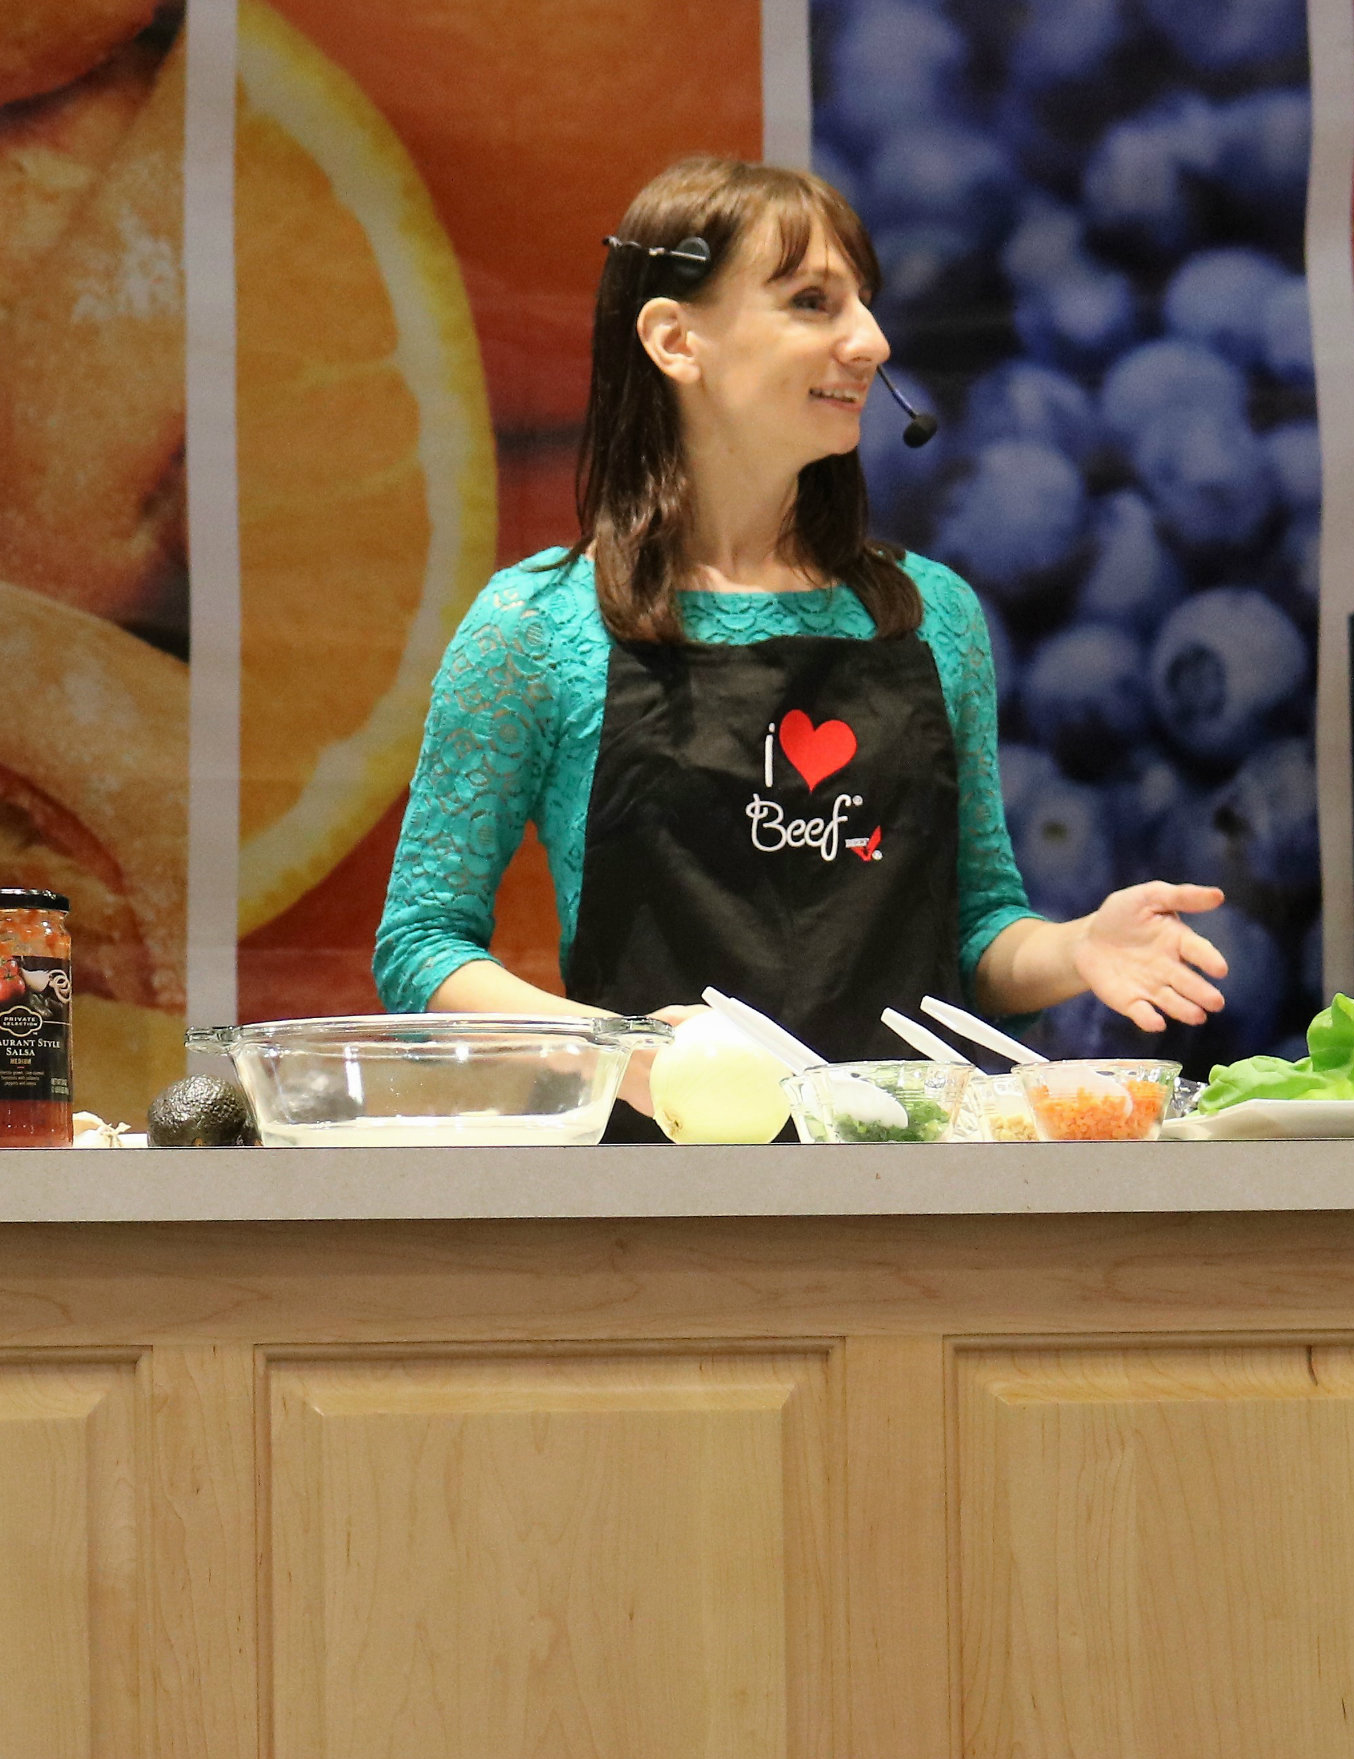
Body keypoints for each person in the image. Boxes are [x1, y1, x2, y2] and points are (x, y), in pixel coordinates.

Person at [370, 155, 1228, 1092]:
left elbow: (977, 931)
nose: (871, 341)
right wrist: (616, 1049)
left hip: (908, 1187)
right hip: (653, 1203)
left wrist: (1075, 948)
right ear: (675, 339)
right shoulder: (535, 625)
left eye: (864, 301)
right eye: (813, 302)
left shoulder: (933, 613)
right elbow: (423, 947)